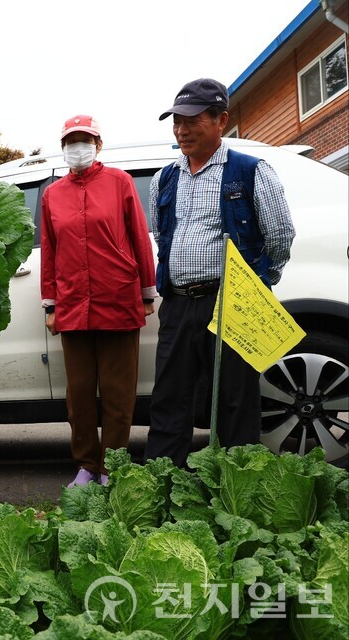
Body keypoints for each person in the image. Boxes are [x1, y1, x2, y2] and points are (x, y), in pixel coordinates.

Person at [145, 78, 295, 468]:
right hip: (178, 303)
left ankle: (234, 484)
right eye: (177, 121)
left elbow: (280, 235)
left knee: (235, 398)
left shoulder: (251, 171)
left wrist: (258, 283)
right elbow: (162, 234)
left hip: (231, 301)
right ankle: (162, 483)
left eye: (192, 120)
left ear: (221, 120)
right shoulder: (165, 178)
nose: (181, 130)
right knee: (169, 397)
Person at [39, 115, 157, 487]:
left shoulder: (120, 182)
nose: (78, 147)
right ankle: (87, 465)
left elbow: (139, 236)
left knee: (119, 394)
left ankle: (112, 467)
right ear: (63, 147)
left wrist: (147, 292)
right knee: (79, 395)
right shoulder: (53, 194)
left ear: (98, 145)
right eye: (71, 141)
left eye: (85, 140)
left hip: (118, 299)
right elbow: (49, 251)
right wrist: (50, 304)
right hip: (73, 304)